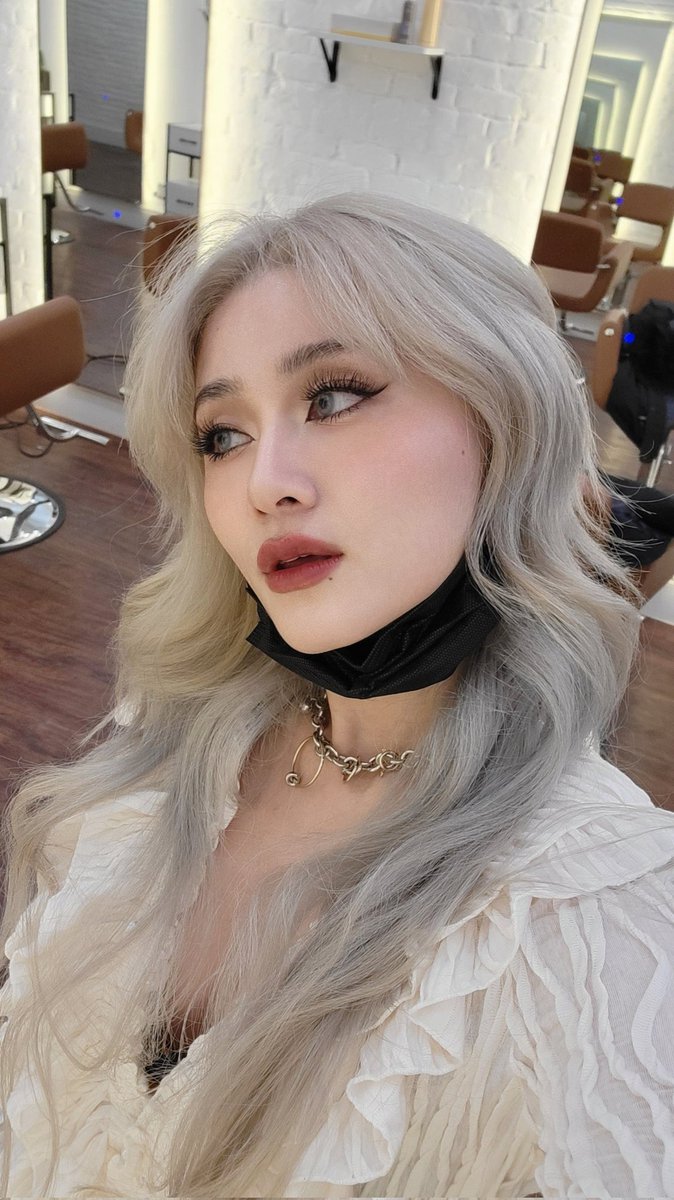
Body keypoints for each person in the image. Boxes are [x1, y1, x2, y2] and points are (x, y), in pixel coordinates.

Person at [1, 192, 673, 1199]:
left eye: (332, 396)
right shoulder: (179, 730)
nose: (263, 483)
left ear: (506, 421)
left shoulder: (598, 924)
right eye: (222, 434)